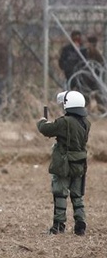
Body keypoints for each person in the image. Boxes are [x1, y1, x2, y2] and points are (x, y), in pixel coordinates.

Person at [37, 90, 91, 235]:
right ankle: (80, 225)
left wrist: (42, 120)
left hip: (64, 163)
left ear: (68, 105)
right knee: (77, 195)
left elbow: (45, 129)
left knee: (60, 193)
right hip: (80, 163)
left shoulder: (64, 122)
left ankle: (59, 225)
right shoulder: (86, 123)